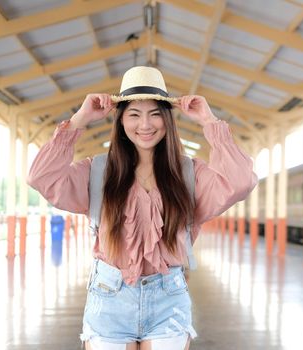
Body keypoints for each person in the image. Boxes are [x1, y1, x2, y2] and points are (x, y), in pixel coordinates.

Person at [28, 66, 258, 350]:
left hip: (168, 299)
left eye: (155, 114)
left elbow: (241, 182)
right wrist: (80, 119)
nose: (145, 125)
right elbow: (40, 177)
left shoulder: (189, 174)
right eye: (134, 114)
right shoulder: (98, 172)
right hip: (109, 298)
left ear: (167, 119)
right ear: (121, 121)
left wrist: (209, 122)